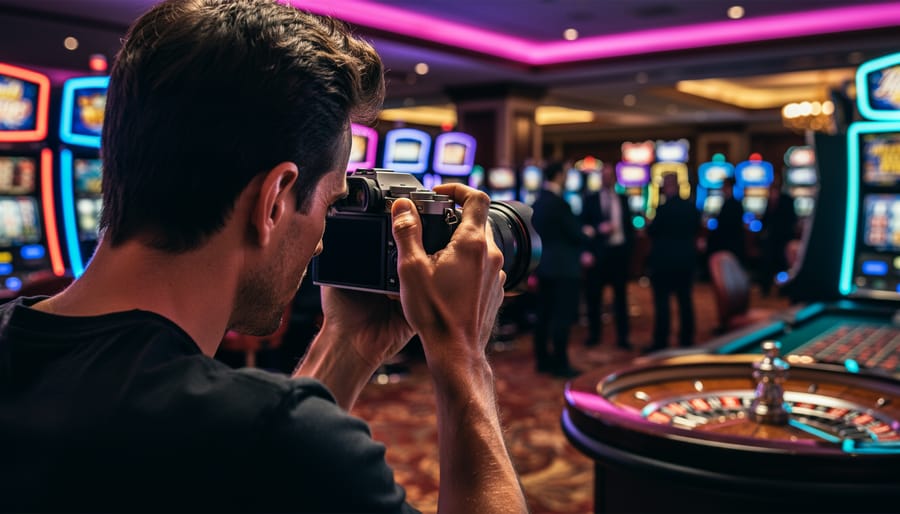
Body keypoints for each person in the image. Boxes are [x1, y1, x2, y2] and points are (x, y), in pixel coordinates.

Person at [0, 2, 528, 513]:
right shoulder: (274, 440)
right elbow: (271, 453)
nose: (323, 238)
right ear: (275, 200)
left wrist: (347, 342)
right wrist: (463, 356)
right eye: (330, 201)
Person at [530, 160, 586, 377]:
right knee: (561, 317)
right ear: (559, 175)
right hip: (564, 268)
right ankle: (561, 364)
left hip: (543, 266)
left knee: (543, 315)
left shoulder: (537, 202)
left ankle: (543, 360)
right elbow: (575, 234)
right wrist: (587, 234)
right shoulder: (560, 204)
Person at [580, 163, 634, 350]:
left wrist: (629, 249)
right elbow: (583, 227)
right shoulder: (590, 199)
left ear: (615, 178)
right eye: (604, 175)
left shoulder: (623, 199)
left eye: (610, 175)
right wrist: (597, 230)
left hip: (618, 253)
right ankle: (594, 336)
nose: (607, 178)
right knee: (594, 297)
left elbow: (630, 227)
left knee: (621, 298)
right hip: (598, 254)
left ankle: (623, 337)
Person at [647, 173, 701, 352]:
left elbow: (653, 232)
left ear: (667, 187)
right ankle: (687, 338)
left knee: (662, 303)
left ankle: (661, 341)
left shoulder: (663, 209)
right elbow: (697, 229)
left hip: (664, 262)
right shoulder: (691, 207)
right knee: (685, 300)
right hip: (686, 261)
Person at [759, 172, 798, 295]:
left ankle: (783, 289)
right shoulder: (769, 201)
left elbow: (793, 220)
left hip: (784, 238)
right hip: (772, 239)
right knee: (767, 264)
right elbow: (765, 221)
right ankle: (765, 289)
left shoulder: (788, 200)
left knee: (783, 266)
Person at [706, 176, 745, 265]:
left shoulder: (732, 204)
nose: (722, 189)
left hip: (729, 244)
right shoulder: (732, 203)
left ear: (730, 187)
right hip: (732, 242)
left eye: (724, 186)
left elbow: (724, 227)